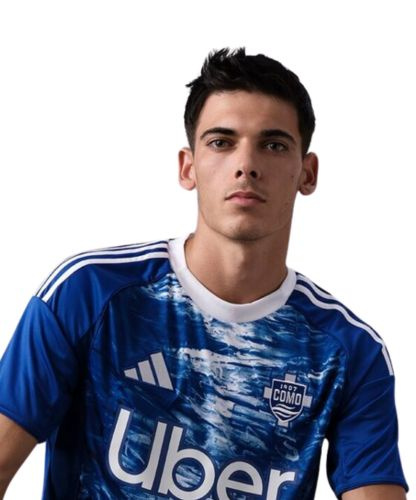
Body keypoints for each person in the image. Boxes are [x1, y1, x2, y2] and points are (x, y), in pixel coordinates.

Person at [0, 47, 409, 500]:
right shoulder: (89, 293)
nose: (246, 165)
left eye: (273, 145)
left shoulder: (348, 350)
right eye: (221, 142)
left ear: (307, 174)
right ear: (188, 166)